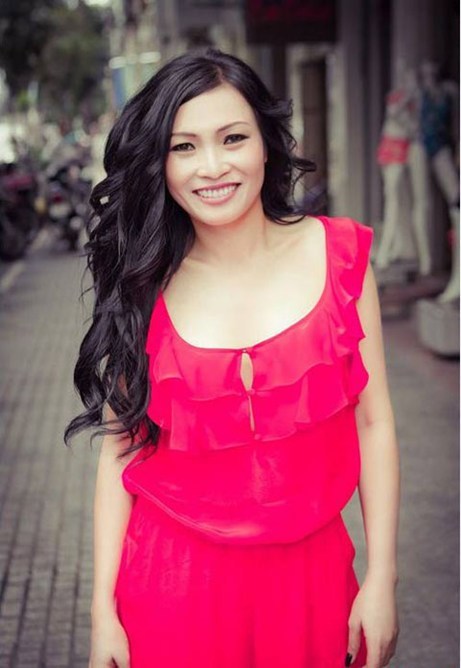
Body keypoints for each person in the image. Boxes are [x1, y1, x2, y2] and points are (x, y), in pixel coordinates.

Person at [65, 48, 400, 668]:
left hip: (312, 585)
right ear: (160, 163)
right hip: (171, 590)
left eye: (233, 138)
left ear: (266, 144)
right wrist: (102, 614)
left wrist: (383, 577)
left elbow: (374, 422)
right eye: (183, 147)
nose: (212, 166)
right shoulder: (144, 284)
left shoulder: (339, 257)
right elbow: (120, 453)